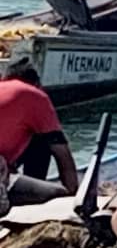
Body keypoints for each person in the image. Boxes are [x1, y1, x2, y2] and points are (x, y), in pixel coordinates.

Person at [0, 57, 79, 212]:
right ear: (37, 84)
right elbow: (62, 154)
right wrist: (73, 197)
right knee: (58, 195)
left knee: (38, 138)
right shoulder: (35, 95)